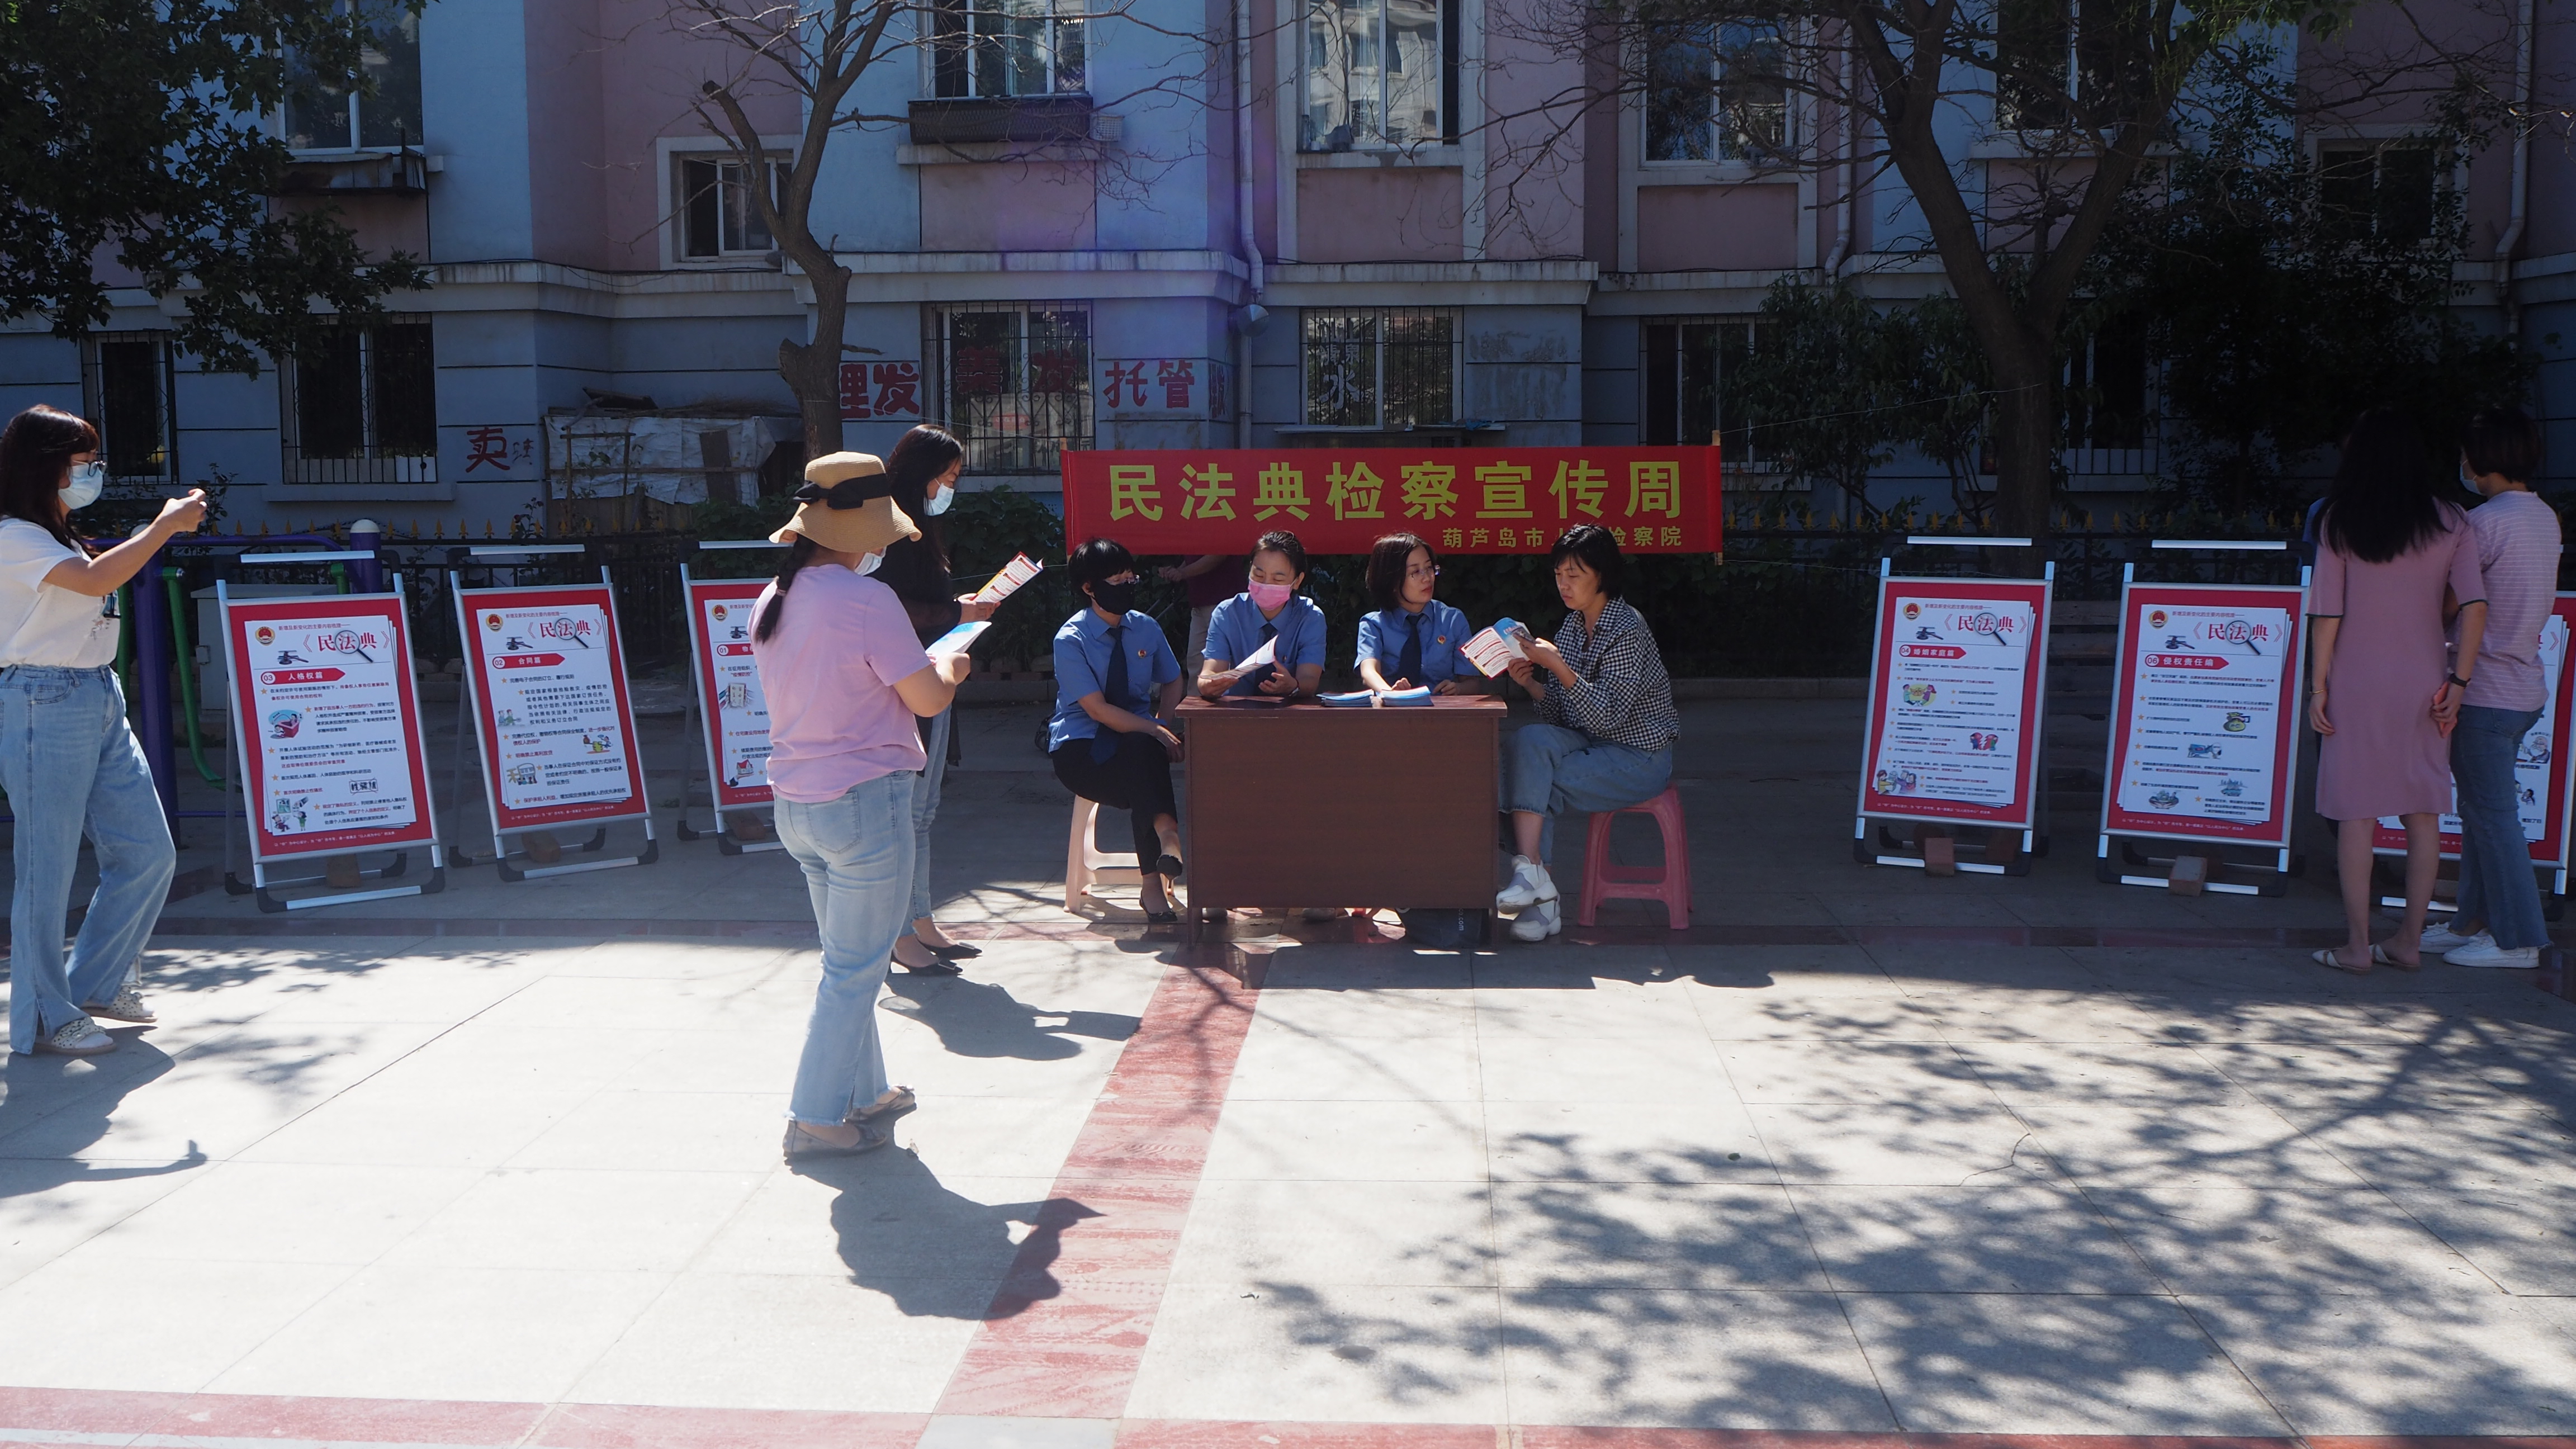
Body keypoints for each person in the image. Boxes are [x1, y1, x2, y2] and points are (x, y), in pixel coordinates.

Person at [753, 451, 972, 1159]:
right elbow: (927, 698)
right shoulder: (867, 600)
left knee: (852, 960)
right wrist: (952, 665)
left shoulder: (774, 597)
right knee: (854, 970)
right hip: (864, 804)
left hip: (798, 802)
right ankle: (816, 1116)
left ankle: (866, 1090)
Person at [0, 405, 206, 1056]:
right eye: (84, 461)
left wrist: (156, 530)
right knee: (47, 867)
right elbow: (97, 581)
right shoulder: (12, 535)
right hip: (43, 699)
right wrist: (164, 526)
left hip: (94, 691)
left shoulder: (54, 531)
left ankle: (93, 983)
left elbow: (93, 579)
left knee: (147, 852)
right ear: (47, 466)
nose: (94, 471)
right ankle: (46, 1016)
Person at [2307, 408, 2488, 975]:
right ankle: (2409, 940)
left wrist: (2318, 686)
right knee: (2422, 814)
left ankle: (2356, 947)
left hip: (2355, 681)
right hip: (2426, 680)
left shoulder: (2339, 519)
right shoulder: (2452, 520)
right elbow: (2474, 605)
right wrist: (2459, 680)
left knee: (2356, 815)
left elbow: (2328, 612)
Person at [2421, 407, 2560, 969]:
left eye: (2465, 454)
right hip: (2523, 687)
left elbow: (2452, 602)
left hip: (2481, 688)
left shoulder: (2481, 523)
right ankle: (2471, 922)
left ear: (2481, 459)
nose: (2462, 464)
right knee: (2483, 814)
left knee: (2494, 818)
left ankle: (2518, 940)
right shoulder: (2544, 516)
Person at [1495, 525, 1680, 942]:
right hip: (1591, 743)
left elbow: (1608, 717)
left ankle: (1540, 895)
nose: (1564, 584)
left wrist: (1559, 666)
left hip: (1639, 756)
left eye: (1574, 575)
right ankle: (1534, 880)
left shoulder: (1626, 627)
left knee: (1534, 780)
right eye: (1558, 574)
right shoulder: (1572, 627)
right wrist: (1532, 684)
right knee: (1527, 741)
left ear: (1602, 576)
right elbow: (1561, 716)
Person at [873, 424, 998, 976]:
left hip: (932, 671)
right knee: (905, 817)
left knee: (921, 814)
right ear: (921, 473)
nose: (950, 487)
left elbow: (921, 601)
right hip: (906, 683)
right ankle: (899, 933)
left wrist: (956, 610)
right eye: (946, 477)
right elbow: (893, 608)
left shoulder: (920, 527)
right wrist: (956, 613)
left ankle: (920, 921)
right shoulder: (890, 529)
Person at [1048, 538, 1187, 921]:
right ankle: (1168, 841)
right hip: (1082, 750)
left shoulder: (1145, 628)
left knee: (1142, 756)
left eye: (1130, 578)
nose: (1127, 586)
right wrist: (1156, 731)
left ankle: (1154, 879)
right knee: (1145, 761)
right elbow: (1098, 710)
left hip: (1137, 745)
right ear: (1090, 588)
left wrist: (1164, 723)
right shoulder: (1071, 639)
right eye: (1116, 580)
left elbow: (1174, 679)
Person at [1198, 531, 1327, 700]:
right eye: (1258, 575)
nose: (1266, 584)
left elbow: (1309, 680)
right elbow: (1209, 672)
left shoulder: (1310, 618)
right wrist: (1208, 685)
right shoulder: (1227, 613)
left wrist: (1294, 685)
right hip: (1236, 710)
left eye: (1278, 579)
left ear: (1297, 581)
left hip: (1290, 710)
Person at [1356, 533, 1474, 694]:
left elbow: (1472, 682)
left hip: (1441, 707)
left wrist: (1458, 689)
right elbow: (1369, 672)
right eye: (1416, 572)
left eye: (1429, 568)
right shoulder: (1374, 625)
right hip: (1390, 707)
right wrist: (1392, 694)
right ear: (1392, 580)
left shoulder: (1452, 620)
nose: (1427, 578)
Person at [1158, 552, 1242, 675]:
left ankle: (1224, 689)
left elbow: (1219, 554)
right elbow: (1194, 557)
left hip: (1222, 602)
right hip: (1200, 603)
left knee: (1223, 661)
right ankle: (1196, 689)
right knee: (1195, 660)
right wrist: (1176, 572)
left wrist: (1182, 573)